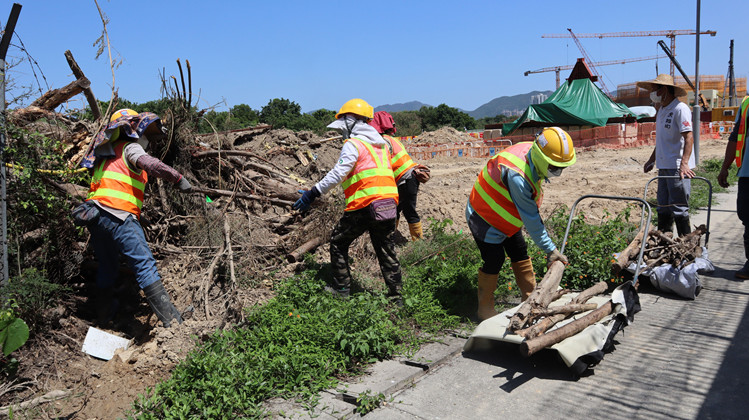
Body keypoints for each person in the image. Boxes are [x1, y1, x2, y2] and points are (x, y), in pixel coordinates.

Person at [82, 109, 191, 328]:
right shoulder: (130, 148)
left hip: (95, 217)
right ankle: (173, 323)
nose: (148, 141)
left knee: (108, 265)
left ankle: (104, 317)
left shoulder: (104, 154)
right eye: (146, 135)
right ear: (134, 130)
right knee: (145, 264)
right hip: (119, 216)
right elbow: (152, 165)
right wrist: (178, 178)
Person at [292, 99, 402, 298]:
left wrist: (312, 193)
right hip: (388, 203)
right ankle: (397, 297)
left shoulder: (354, 144)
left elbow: (338, 173)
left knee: (338, 242)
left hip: (364, 204)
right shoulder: (382, 145)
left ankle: (341, 290)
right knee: (386, 249)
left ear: (351, 122)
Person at [465, 127, 575, 321]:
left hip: (506, 216)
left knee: (519, 252)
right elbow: (530, 218)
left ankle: (531, 299)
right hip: (484, 217)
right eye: (555, 167)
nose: (558, 172)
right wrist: (550, 250)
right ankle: (484, 310)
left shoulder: (532, 152)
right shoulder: (518, 177)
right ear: (541, 158)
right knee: (494, 259)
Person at [637, 74, 695, 236]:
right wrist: (651, 159)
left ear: (665, 90)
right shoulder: (662, 110)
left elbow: (688, 136)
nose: (653, 93)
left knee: (679, 207)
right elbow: (663, 141)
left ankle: (685, 244)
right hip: (664, 166)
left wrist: (684, 163)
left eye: (655, 89)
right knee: (663, 206)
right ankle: (665, 241)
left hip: (677, 168)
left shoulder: (680, 109)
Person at [369, 111, 425, 241]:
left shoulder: (383, 141)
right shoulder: (392, 139)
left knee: (409, 211)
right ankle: (391, 237)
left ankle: (419, 243)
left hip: (405, 180)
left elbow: (382, 162)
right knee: (396, 210)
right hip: (408, 178)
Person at [717, 95, 749, 278]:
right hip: (747, 171)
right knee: (747, 217)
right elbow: (735, 137)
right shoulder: (746, 103)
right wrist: (724, 168)